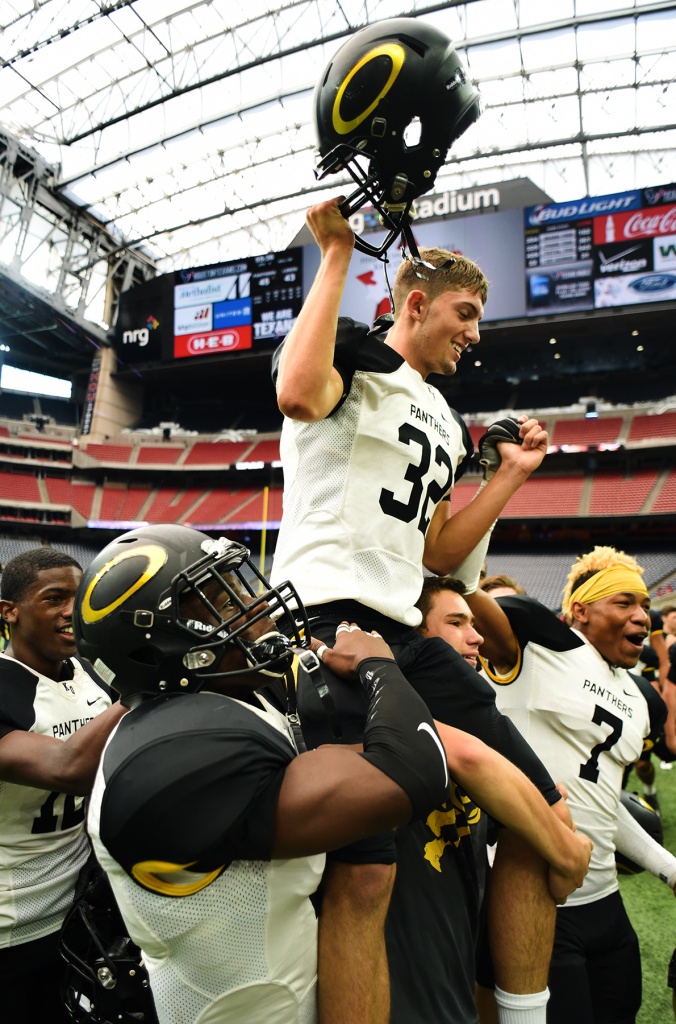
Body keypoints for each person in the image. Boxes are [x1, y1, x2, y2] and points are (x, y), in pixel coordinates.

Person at [271, 196, 577, 1024]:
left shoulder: (443, 415)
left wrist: (508, 477)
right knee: (365, 872)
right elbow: (299, 394)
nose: (475, 333)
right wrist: (335, 252)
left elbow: (440, 554)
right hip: (324, 626)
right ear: (414, 304)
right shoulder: (358, 360)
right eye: (465, 313)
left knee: (545, 814)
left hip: (406, 633)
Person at [74, 524, 479, 1024]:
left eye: (237, 585)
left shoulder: (224, 704)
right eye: (223, 603)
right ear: (159, 648)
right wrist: (380, 667)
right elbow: (412, 771)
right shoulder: (172, 753)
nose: (255, 604)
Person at [453, 544, 676, 1024]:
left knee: (622, 1011)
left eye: (644, 605)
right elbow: (467, 593)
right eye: (623, 603)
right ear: (579, 610)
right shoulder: (538, 650)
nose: (643, 616)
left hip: (606, 900)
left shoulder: (638, 699)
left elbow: (601, 802)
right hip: (534, 895)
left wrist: (667, 867)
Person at [384, 575, 592, 1024]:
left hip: (462, 959)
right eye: (457, 622)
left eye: (473, 622)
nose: (476, 636)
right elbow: (562, 864)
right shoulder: (385, 721)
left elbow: (539, 856)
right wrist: (567, 849)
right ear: (415, 633)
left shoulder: (480, 731)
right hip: (399, 978)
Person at [0, 547, 127, 1024]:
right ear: (9, 611)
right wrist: (149, 678)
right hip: (13, 927)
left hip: (79, 915)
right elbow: (65, 768)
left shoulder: (93, 676)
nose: (72, 611)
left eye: (80, 596)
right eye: (54, 598)